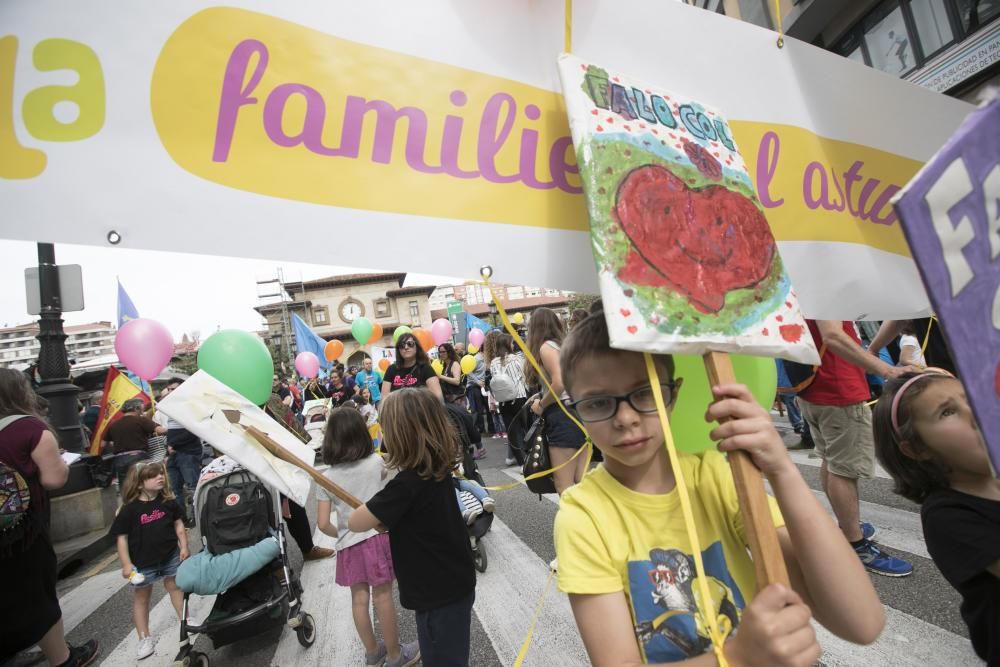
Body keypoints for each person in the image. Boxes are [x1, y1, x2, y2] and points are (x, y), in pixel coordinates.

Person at [553, 312, 884, 665]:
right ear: (576, 411)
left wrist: (782, 471)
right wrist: (739, 657)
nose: (626, 418)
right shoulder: (583, 516)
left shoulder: (717, 478)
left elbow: (861, 622)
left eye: (645, 392)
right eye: (598, 402)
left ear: (673, 395)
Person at [873, 370, 999, 664]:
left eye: (972, 399)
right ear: (916, 449)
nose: (975, 413)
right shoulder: (947, 516)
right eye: (948, 412)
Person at [349, 389, 476, 666]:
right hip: (453, 583)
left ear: (400, 435)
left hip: (435, 594)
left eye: (386, 427)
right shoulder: (436, 469)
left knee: (443, 660)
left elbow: (355, 522)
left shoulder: (405, 485)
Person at [798, 320, 916, 577]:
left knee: (831, 461)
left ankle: (847, 527)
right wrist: (886, 369)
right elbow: (833, 336)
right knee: (844, 469)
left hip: (815, 387)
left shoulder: (801, 283)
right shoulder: (824, 280)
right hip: (839, 388)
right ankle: (856, 543)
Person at [0, 369, 100, 666]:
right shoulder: (31, 429)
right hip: (22, 530)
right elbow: (54, 480)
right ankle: (63, 658)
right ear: (22, 393)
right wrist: (62, 462)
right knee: (37, 593)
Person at [316, 408, 420, 667]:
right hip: (376, 538)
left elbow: (322, 523)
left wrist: (342, 533)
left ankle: (373, 653)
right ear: (362, 434)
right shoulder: (377, 463)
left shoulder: (325, 477)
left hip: (348, 546)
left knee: (359, 599)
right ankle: (396, 656)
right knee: (382, 596)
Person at [111, 461, 189, 660]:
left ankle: (185, 620)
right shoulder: (129, 510)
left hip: (170, 555)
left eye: (161, 474)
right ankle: (144, 638)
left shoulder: (168, 501)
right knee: (142, 597)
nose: (160, 477)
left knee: (175, 587)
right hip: (143, 563)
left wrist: (184, 545)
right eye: (153, 476)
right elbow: (122, 538)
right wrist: (126, 564)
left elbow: (179, 524)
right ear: (138, 483)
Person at [525, 307, 587, 495]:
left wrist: (542, 405)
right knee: (580, 481)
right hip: (578, 412)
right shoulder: (563, 346)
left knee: (564, 485)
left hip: (562, 416)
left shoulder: (545, 347)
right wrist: (541, 394)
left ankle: (575, 525)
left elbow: (559, 381)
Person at [160, 379, 203, 523]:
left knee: (192, 487)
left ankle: (198, 517)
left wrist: (173, 444)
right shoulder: (172, 407)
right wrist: (169, 446)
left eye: (173, 389)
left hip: (188, 453)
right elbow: (172, 431)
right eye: (169, 389)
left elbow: (194, 430)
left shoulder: (190, 405)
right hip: (174, 453)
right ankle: (182, 519)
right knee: (174, 489)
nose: (170, 392)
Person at [102, 398, 167, 493]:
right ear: (136, 409)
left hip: (120, 459)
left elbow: (103, 444)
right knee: (142, 485)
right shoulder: (141, 420)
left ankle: (128, 505)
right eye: (142, 408)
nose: (143, 411)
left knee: (126, 487)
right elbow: (160, 430)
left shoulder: (114, 424)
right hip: (139, 458)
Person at [486, 333, 530, 466]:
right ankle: (529, 457)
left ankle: (520, 462)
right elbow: (525, 376)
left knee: (511, 432)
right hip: (519, 397)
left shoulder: (493, 362)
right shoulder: (516, 359)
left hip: (503, 401)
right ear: (508, 344)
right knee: (525, 429)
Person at [381, 332, 443, 401]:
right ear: (398, 350)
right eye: (402, 345)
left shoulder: (425, 368)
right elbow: (384, 398)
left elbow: (438, 397)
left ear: (417, 347)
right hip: (398, 410)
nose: (406, 347)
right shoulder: (391, 369)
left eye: (410, 344)